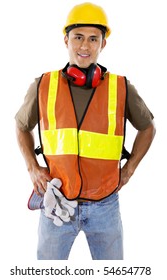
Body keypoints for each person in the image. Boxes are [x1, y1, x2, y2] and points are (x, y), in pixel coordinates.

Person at [15, 2, 156, 260]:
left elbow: (148, 127)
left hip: (105, 206)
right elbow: (22, 125)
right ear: (65, 39)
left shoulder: (121, 87)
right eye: (78, 37)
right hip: (57, 203)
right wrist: (32, 167)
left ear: (103, 44)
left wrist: (130, 168)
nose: (84, 46)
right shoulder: (43, 85)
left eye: (93, 39)